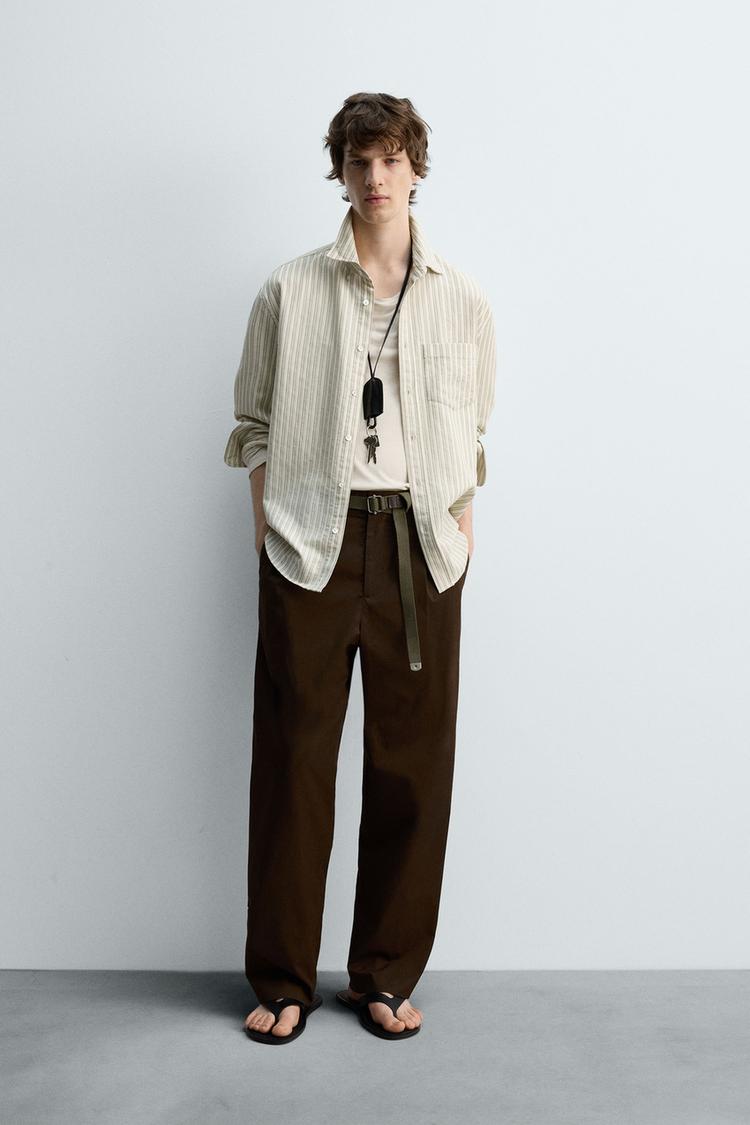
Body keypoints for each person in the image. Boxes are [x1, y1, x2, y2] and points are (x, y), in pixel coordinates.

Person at [224, 92, 497, 1044]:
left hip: (421, 550)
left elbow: (474, 430)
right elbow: (253, 423)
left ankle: (383, 973)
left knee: (411, 769)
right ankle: (283, 979)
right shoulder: (290, 290)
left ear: (416, 168)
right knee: (294, 763)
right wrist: (270, 528)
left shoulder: (461, 298)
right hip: (312, 545)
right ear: (338, 172)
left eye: (390, 159)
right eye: (357, 160)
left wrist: (458, 531)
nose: (375, 177)